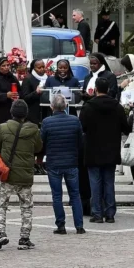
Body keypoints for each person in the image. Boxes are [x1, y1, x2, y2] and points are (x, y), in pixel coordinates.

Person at [0, 100, 43, 251]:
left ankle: (0, 233)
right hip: (25, 175)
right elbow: (39, 147)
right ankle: (24, 238)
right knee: (26, 206)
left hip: (8, 174)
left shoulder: (3, 128)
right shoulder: (34, 130)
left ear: (12, 112)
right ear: (26, 114)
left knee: (0, 204)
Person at [80, 76, 128, 223]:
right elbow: (125, 128)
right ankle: (110, 213)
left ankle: (97, 214)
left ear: (95, 89)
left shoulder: (88, 106)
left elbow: (82, 127)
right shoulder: (117, 107)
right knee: (109, 182)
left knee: (95, 182)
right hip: (111, 150)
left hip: (93, 149)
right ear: (108, 90)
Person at [40, 94, 84, 234]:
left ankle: (61, 225)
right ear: (65, 106)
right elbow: (80, 143)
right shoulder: (75, 120)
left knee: (57, 195)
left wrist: (40, 158)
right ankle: (79, 225)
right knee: (75, 195)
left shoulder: (47, 122)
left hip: (54, 163)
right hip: (71, 162)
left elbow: (42, 143)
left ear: (52, 106)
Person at [20, 59, 48, 124]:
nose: (42, 69)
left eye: (43, 67)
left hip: (45, 112)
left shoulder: (48, 78)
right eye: (39, 68)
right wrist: (36, 92)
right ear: (34, 68)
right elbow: (24, 98)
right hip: (32, 114)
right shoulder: (28, 79)